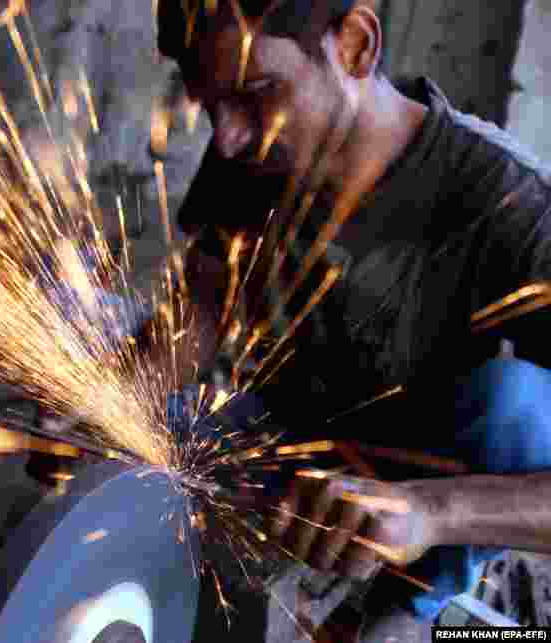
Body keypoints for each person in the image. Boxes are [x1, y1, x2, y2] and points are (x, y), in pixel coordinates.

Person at [153, 0, 551, 638]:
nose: (226, 137)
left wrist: (430, 514)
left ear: (357, 45)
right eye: (211, 105)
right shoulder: (251, 149)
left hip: (415, 480)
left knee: (517, 408)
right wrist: (96, 411)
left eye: (258, 91)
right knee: (149, 436)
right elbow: (192, 316)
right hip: (290, 441)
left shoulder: (512, 206)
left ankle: (403, 607)